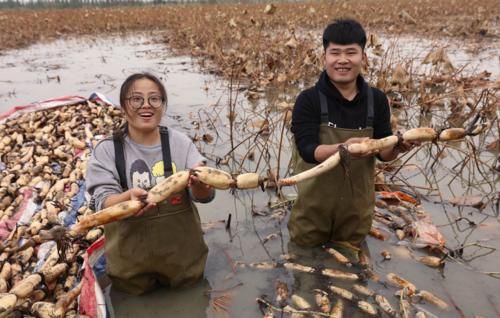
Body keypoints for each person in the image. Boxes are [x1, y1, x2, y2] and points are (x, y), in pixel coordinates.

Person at [289, 19, 412, 258]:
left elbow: (382, 152)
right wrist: (344, 148)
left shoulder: (376, 100)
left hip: (356, 212)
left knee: (352, 273)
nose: (342, 60)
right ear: (324, 57)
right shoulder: (308, 100)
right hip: (312, 210)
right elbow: (307, 149)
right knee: (304, 269)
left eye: (351, 53)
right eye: (335, 52)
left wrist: (397, 148)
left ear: (363, 57)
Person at [86, 72, 215, 295]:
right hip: (130, 268)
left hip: (184, 263)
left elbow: (205, 197)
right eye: (136, 99)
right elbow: (102, 202)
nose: (146, 105)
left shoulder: (180, 143)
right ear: (124, 107)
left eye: (154, 99)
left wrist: (201, 184)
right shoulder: (107, 150)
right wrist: (126, 200)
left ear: (163, 105)